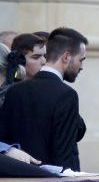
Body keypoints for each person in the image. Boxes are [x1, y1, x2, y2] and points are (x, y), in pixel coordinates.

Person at [0, 27, 87, 170]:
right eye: (81, 60)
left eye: (43, 56)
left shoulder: (15, 91)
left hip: (21, 179)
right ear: (66, 57)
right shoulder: (65, 94)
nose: (81, 66)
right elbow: (64, 155)